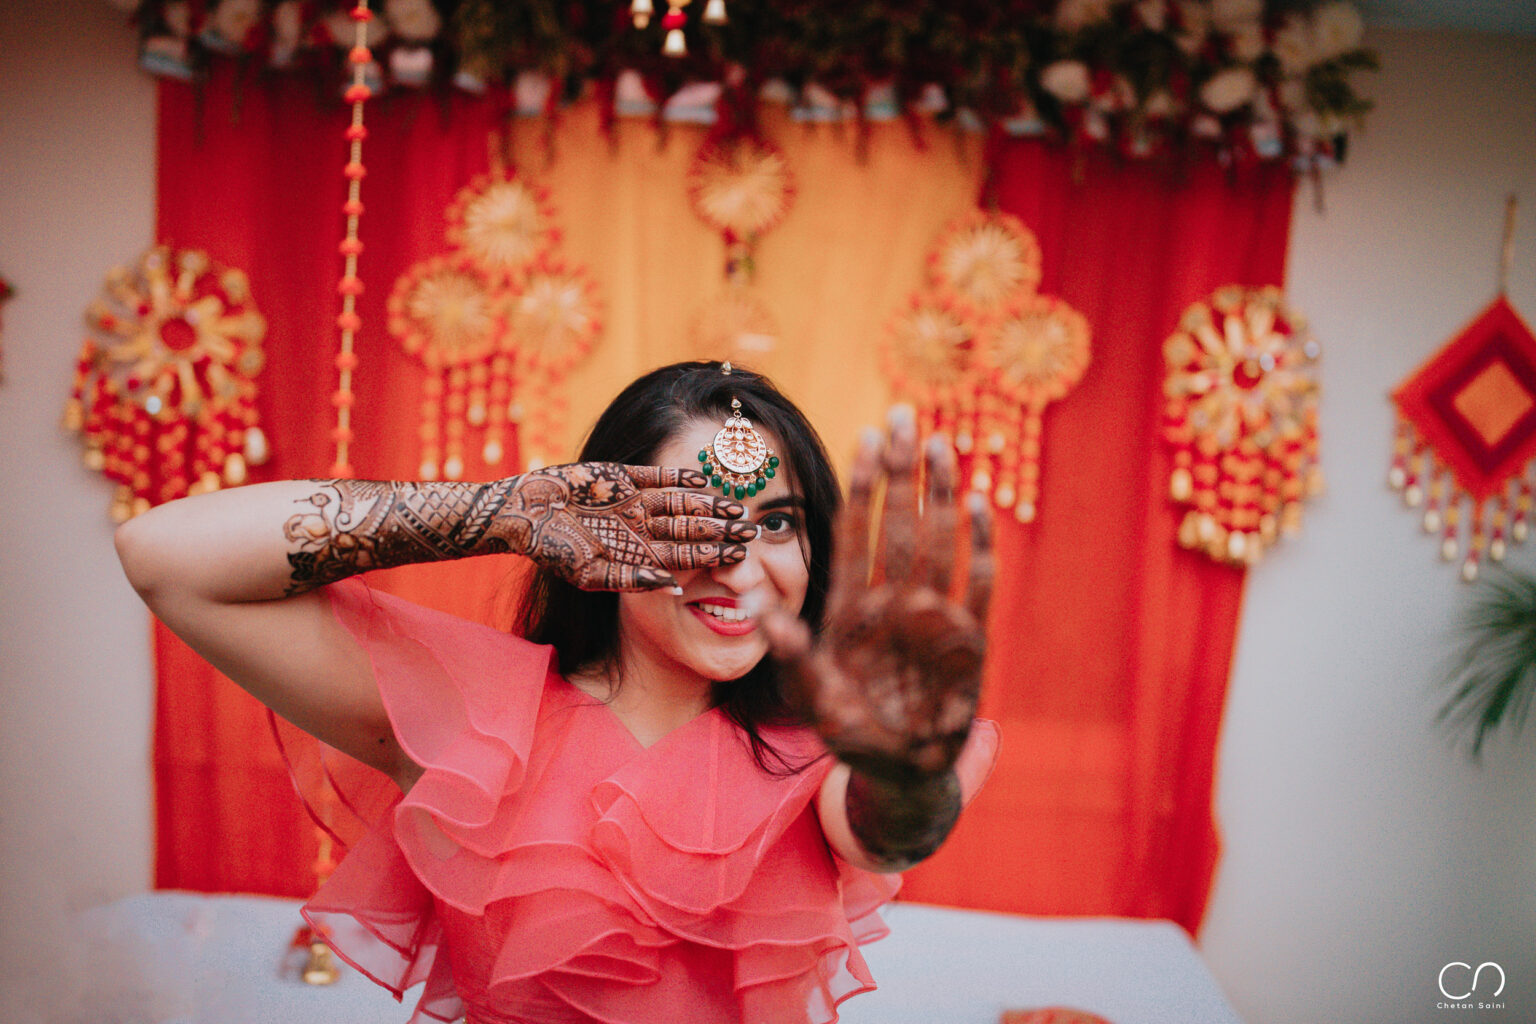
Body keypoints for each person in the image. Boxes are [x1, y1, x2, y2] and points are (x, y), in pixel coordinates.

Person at [115, 360, 999, 1024]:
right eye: (689, 517)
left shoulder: (828, 751)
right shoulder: (477, 713)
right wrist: (506, 512)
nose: (738, 566)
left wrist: (908, 768)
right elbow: (165, 558)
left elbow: (892, 828)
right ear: (600, 525)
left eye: (776, 523)